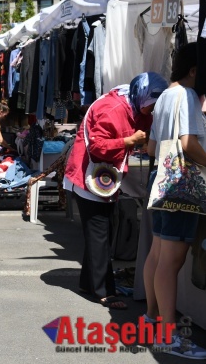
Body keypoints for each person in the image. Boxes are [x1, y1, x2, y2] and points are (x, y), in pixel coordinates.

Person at [64, 72, 168, 310]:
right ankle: (104, 291)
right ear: (143, 96)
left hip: (103, 176)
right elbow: (99, 146)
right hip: (89, 176)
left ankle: (88, 284)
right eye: (152, 106)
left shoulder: (134, 104)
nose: (152, 111)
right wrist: (128, 141)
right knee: (101, 233)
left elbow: (144, 127)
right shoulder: (113, 108)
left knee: (101, 232)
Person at [144, 43, 206, 359]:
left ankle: (152, 320)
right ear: (195, 70)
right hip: (184, 179)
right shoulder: (189, 96)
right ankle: (168, 335)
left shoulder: (166, 95)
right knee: (171, 261)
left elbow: (153, 148)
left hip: (163, 175)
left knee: (158, 253)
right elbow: (189, 143)